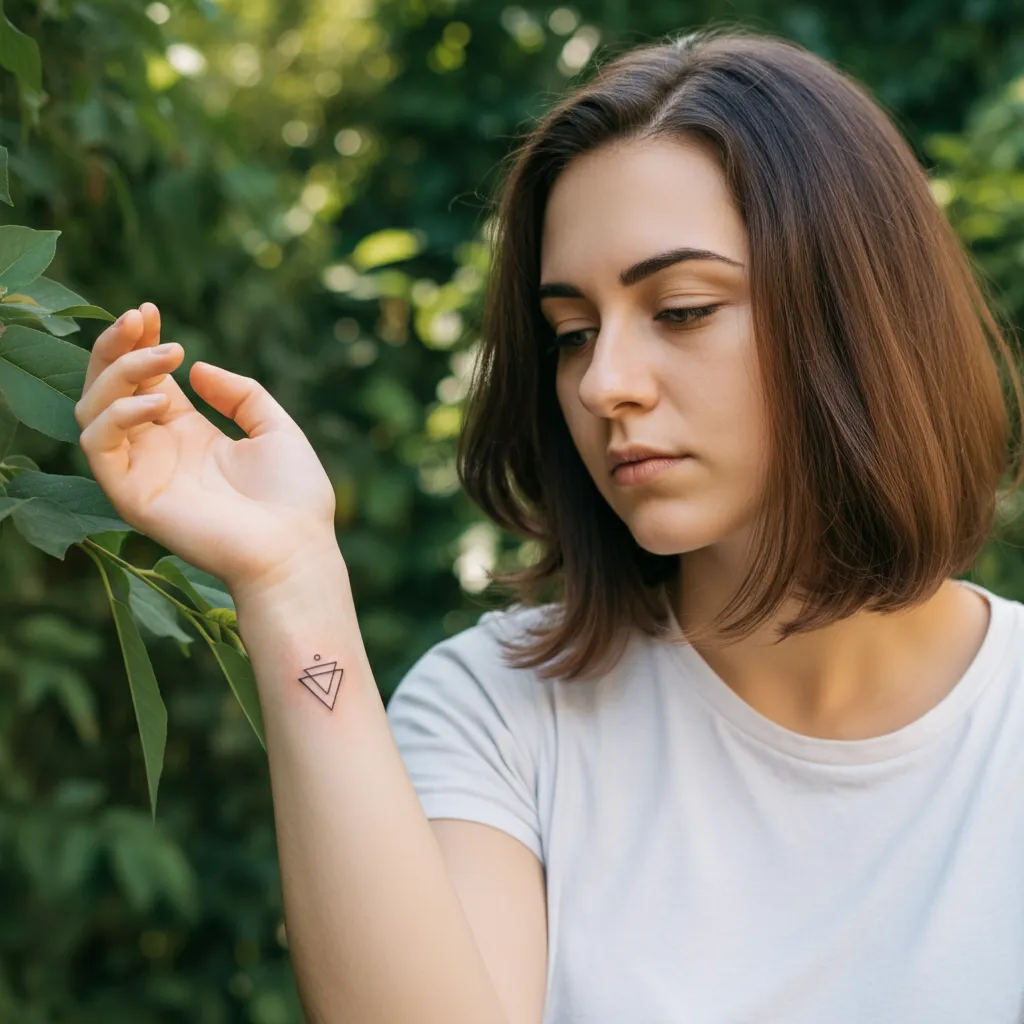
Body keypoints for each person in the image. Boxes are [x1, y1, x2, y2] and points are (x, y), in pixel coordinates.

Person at [73, 27, 1024, 1024]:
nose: (605, 383)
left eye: (684, 309)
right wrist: (288, 582)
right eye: (572, 332)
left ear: (857, 316)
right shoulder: (505, 713)